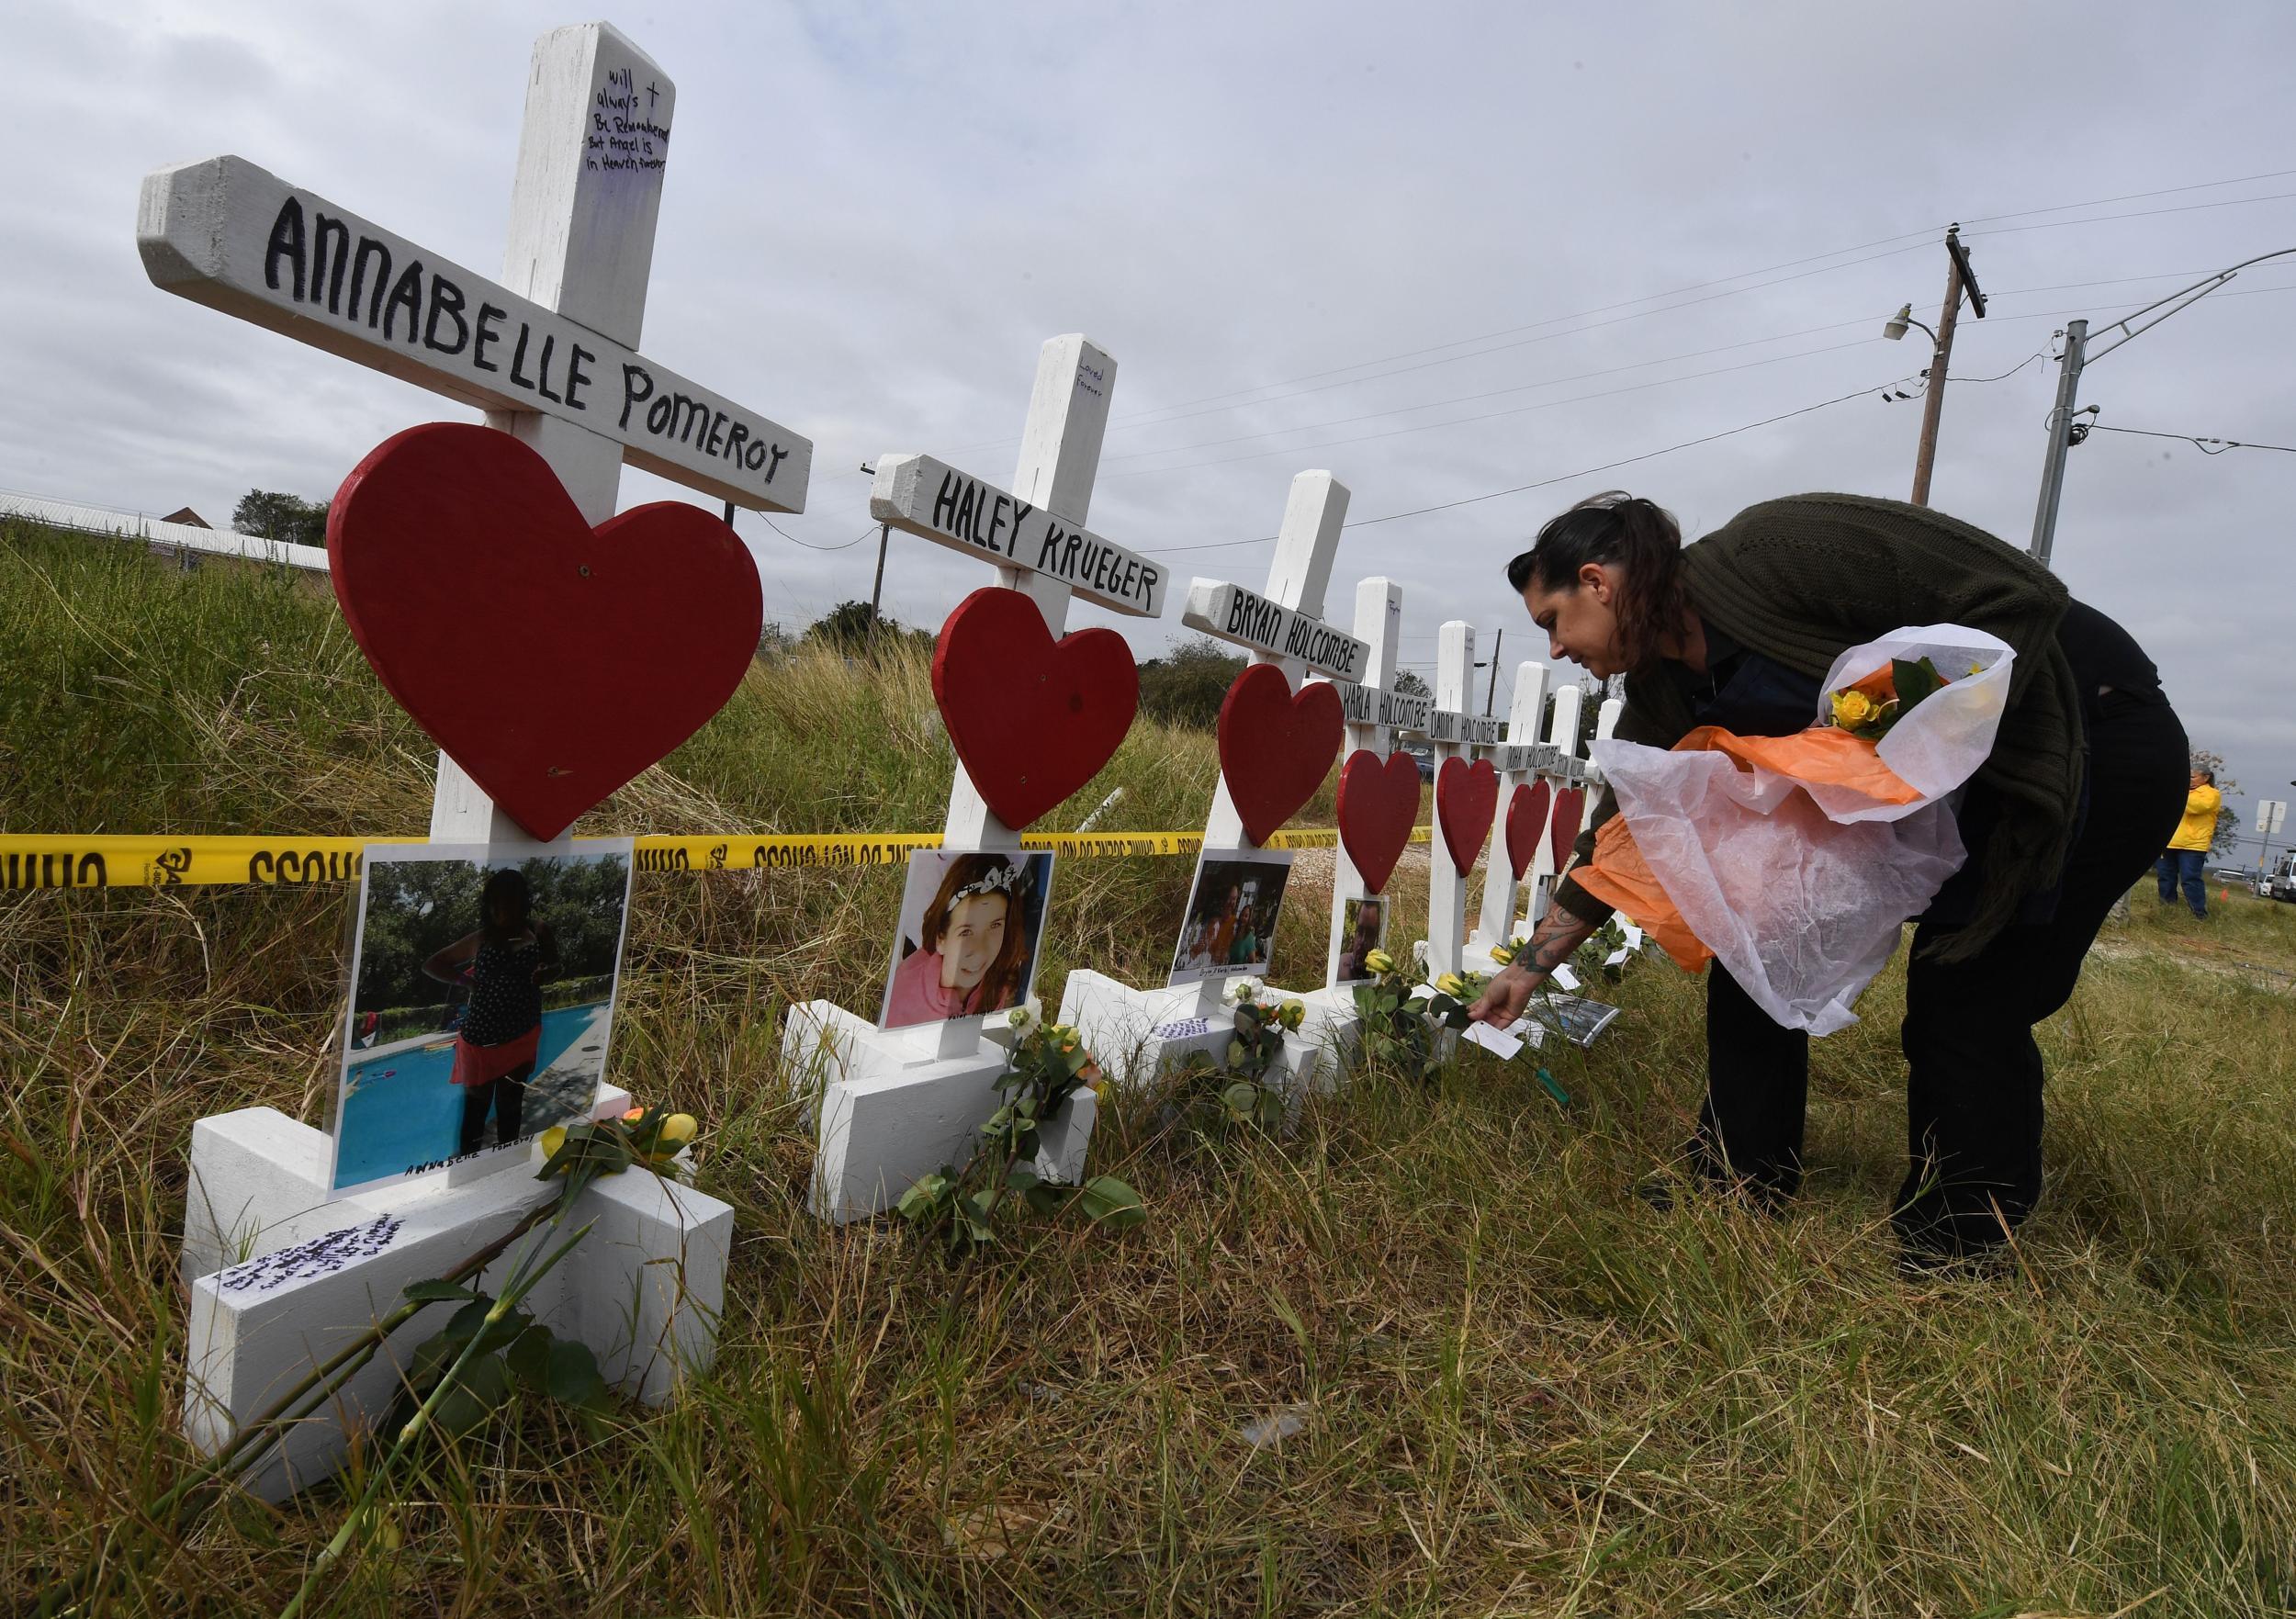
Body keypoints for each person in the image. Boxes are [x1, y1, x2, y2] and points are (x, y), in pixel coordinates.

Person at [1466, 491, 2188, 1270]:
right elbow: (1623, 828)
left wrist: (1859, 726)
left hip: (2085, 749)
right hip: (1954, 794)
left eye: (1551, 621)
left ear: (1598, 582)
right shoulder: (1664, 688)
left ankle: (1962, 1246)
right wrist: (1528, 967)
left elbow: (2022, 596)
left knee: (1967, 995)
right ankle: (1742, 1180)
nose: (1556, 649)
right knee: (1753, 943)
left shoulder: (1777, 549)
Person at [425, 866, 560, 1157]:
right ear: (489, 905)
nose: (502, 910)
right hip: (480, 1040)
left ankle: (506, 1167)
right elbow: (434, 964)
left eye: (509, 902)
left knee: (511, 1105)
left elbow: (556, 964)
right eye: (496, 903)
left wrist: (545, 974)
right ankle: (466, 1172)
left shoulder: (537, 931)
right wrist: (467, 982)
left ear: (522, 902)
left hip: (521, 1034)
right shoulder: (481, 938)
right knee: (476, 1110)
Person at [884, 854, 1034, 1026]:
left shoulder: (997, 983)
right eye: (966, 932)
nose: (979, 953)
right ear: (941, 938)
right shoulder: (902, 999)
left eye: (995, 926)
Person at [2156, 767, 2222, 918]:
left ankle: (2198, 913)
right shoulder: (2183, 791)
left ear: (2206, 778)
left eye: (2192, 777)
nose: (2188, 779)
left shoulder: (2212, 794)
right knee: (2165, 877)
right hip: (2169, 841)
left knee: (2190, 879)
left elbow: (2196, 807)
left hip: (2193, 845)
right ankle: (2167, 909)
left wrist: (2175, 794)